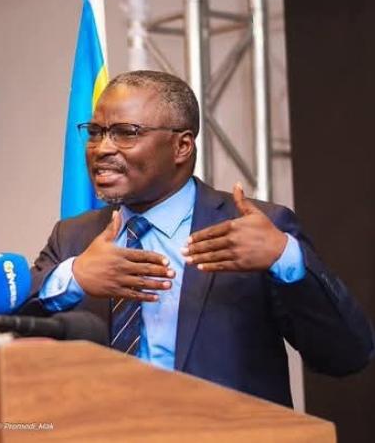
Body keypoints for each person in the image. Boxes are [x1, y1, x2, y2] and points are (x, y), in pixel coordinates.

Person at [28, 70, 374, 407]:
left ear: (181, 146)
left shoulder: (254, 228)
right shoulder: (74, 237)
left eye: (125, 133)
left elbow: (346, 355)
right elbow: (3, 339)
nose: (102, 148)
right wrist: (74, 277)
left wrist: (284, 257)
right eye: (95, 132)